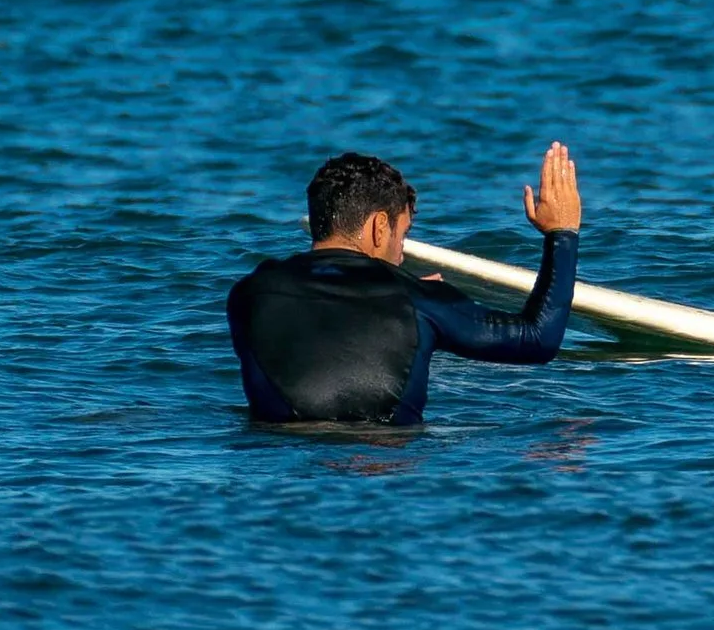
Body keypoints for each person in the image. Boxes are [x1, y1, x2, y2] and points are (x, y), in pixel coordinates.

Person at [226, 142, 581, 425]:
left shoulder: (248, 293)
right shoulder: (417, 300)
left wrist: (401, 298)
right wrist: (562, 233)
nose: (401, 254)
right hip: (384, 473)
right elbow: (538, 339)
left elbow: (325, 322)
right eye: (403, 235)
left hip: (279, 472)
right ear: (380, 226)